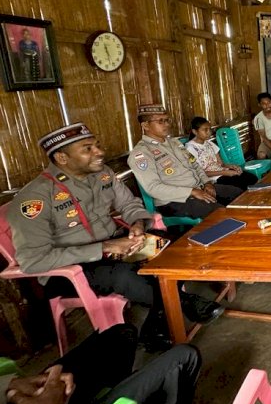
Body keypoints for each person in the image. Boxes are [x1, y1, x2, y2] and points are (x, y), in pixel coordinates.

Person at [10, 123, 222, 351]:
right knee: (123, 274)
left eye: (97, 145)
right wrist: (105, 247)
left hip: (118, 245)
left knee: (169, 247)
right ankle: (187, 303)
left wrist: (137, 224)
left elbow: (129, 204)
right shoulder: (35, 198)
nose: (99, 152)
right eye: (87, 149)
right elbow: (33, 261)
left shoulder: (103, 174)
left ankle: (153, 327)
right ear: (62, 158)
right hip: (72, 266)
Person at [0, 323, 200, 404]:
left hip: (15, 400)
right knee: (185, 356)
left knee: (123, 335)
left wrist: (8, 384)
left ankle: (112, 396)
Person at [128, 104, 242, 220]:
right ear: (145, 125)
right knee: (219, 213)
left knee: (238, 195)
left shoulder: (175, 143)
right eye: (161, 121)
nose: (167, 124)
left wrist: (207, 183)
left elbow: (195, 165)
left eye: (167, 120)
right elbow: (153, 188)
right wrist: (191, 192)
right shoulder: (141, 153)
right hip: (174, 201)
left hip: (199, 188)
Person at [185, 117, 258, 189]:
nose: (209, 132)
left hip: (222, 172)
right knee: (242, 185)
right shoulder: (190, 148)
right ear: (195, 132)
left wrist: (231, 166)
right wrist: (224, 173)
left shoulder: (209, 143)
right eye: (205, 130)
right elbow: (200, 173)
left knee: (252, 178)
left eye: (209, 129)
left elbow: (221, 164)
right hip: (212, 179)